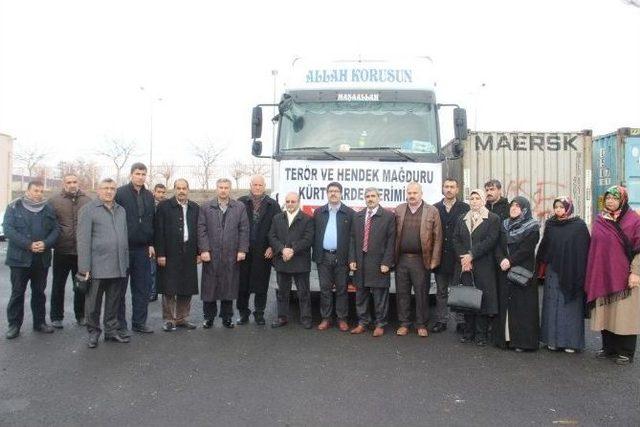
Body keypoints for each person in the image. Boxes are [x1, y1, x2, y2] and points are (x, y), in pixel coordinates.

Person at [584, 186, 640, 365]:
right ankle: (608, 348)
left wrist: (636, 272)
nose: (610, 201)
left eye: (614, 198)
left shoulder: (633, 220)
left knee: (625, 314)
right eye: (607, 198)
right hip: (603, 274)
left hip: (625, 275)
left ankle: (625, 351)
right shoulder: (601, 219)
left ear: (622, 200)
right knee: (606, 312)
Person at [77, 178, 130, 348]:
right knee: (93, 304)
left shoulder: (121, 210)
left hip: (117, 265)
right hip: (97, 266)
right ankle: (93, 333)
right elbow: (83, 240)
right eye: (105, 188)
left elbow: (124, 237)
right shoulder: (88, 210)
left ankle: (111, 331)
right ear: (98, 190)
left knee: (114, 302)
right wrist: (84, 267)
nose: (109, 191)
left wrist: (125, 262)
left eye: (112, 188)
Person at [3, 180, 60, 339]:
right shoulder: (14, 207)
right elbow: (8, 229)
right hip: (19, 259)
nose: (39, 194)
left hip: (41, 259)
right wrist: (28, 245)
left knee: (39, 292)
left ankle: (39, 323)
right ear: (28, 191)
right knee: (17, 292)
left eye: (41, 191)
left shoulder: (47, 208)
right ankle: (14, 325)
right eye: (35, 190)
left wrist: (46, 243)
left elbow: (56, 229)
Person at [537, 197, 590, 353]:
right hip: (553, 270)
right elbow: (545, 246)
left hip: (573, 271)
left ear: (568, 208)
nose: (558, 210)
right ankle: (551, 340)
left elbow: (585, 250)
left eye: (561, 207)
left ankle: (571, 342)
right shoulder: (551, 224)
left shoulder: (579, 226)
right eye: (556, 207)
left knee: (570, 305)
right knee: (552, 304)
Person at [198, 178, 249, 329]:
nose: (223, 190)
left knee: (229, 285)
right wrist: (204, 249)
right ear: (216, 188)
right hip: (211, 253)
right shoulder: (206, 207)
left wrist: (242, 250)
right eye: (220, 187)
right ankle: (209, 317)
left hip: (231, 253)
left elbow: (244, 229)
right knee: (210, 287)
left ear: (230, 189)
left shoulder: (239, 207)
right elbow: (201, 229)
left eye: (226, 187)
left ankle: (227, 317)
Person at [394, 182, 443, 338]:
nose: (412, 195)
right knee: (402, 293)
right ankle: (404, 324)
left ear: (421, 194)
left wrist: (434, 260)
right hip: (401, 259)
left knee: (422, 293)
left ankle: (421, 324)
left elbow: (438, 237)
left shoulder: (432, 211)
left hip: (421, 260)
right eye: (409, 192)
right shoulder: (399, 209)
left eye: (415, 192)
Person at [452, 189, 501, 346]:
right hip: (466, 265)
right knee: (468, 299)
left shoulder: (493, 219)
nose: (473, 201)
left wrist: (472, 255)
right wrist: (464, 257)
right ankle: (468, 332)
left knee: (482, 300)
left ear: (483, 200)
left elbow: (491, 240)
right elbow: (456, 239)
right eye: (471, 198)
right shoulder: (462, 218)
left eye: (477, 198)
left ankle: (481, 335)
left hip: (484, 265)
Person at [495, 196, 540, 351]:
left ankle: (522, 342)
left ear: (524, 209)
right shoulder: (504, 225)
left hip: (523, 272)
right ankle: (505, 339)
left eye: (518, 206)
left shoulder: (532, 227)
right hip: (505, 270)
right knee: (506, 306)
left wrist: (510, 261)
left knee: (522, 308)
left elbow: (527, 249)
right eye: (512, 206)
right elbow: (498, 245)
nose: (513, 208)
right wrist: (501, 259)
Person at [349, 188, 396, 337]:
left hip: (379, 263)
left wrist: (387, 262)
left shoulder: (388, 216)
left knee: (379, 296)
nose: (370, 199)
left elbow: (391, 241)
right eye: (367, 196)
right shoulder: (358, 216)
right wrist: (352, 259)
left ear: (379, 198)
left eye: (373, 196)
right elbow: (352, 239)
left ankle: (380, 324)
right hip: (360, 261)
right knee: (361, 295)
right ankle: (363, 322)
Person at [154, 179, 199, 332]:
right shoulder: (164, 207)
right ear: (174, 189)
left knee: (187, 286)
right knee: (169, 287)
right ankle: (168, 319)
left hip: (189, 250)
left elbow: (199, 232)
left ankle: (181, 318)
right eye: (178, 188)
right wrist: (160, 253)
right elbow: (158, 231)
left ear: (188, 189)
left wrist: (199, 252)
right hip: (169, 251)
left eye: (184, 188)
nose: (181, 191)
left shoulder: (195, 207)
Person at [115, 162, 155, 335]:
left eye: (143, 174)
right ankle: (120, 325)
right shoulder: (120, 193)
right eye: (138, 173)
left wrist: (152, 243)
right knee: (119, 290)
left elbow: (152, 220)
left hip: (142, 249)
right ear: (131, 174)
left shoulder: (149, 195)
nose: (141, 176)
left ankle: (139, 323)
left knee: (142, 289)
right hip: (123, 248)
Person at [48, 173, 91, 328]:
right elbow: (49, 224)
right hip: (62, 250)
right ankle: (56, 317)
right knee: (58, 286)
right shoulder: (53, 201)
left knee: (80, 286)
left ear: (78, 182)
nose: (72, 184)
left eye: (74, 181)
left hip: (81, 252)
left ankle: (80, 315)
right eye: (69, 182)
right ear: (63, 183)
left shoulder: (87, 200)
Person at [236, 175, 279, 326]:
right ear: (251, 185)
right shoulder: (240, 202)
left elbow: (277, 228)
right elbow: (235, 226)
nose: (258, 187)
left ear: (264, 186)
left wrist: (272, 247)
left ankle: (259, 313)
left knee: (261, 284)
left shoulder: (272, 205)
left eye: (260, 185)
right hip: (244, 250)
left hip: (264, 251)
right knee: (242, 284)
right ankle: (243, 313)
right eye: (255, 184)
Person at [269, 192, 314, 329]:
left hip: (300, 261)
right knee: (282, 292)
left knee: (303, 292)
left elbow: (308, 239)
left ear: (298, 202)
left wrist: (292, 250)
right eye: (287, 201)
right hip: (282, 260)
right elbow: (271, 236)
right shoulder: (277, 218)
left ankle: (306, 318)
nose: (290, 204)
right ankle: (282, 317)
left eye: (293, 201)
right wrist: (283, 250)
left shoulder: (307, 219)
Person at [313, 182, 354, 332]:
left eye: (336, 191)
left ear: (341, 193)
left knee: (342, 289)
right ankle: (326, 318)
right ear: (327, 193)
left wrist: (351, 259)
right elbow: (314, 234)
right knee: (325, 289)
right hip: (323, 256)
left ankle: (342, 319)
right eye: (331, 191)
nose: (333, 193)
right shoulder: (319, 212)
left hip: (341, 258)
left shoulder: (349, 213)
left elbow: (352, 238)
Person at [433, 178, 469, 333]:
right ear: (442, 189)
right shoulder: (435, 208)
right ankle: (441, 320)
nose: (449, 189)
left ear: (457, 189)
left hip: (458, 257)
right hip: (440, 256)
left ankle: (460, 321)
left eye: (452, 187)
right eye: (446, 187)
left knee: (457, 290)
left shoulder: (464, 207)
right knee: (441, 291)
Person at [149, 183, 167, 302]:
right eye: (158, 192)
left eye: (162, 192)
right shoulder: (149, 205)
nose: (160, 194)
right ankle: (152, 292)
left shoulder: (167, 205)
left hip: (165, 241)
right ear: (154, 192)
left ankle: (166, 292)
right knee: (152, 270)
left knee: (165, 269)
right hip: (152, 241)